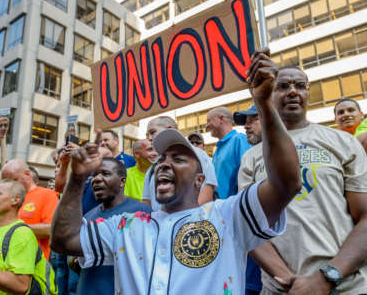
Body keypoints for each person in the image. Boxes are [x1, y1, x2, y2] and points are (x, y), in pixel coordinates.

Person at [50, 49, 303, 294]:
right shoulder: (125, 227)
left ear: (199, 180)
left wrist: (266, 105)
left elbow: (286, 183)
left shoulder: (228, 216)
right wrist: (77, 178)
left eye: (179, 158)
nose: (165, 164)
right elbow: (65, 239)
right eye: (161, 159)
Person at [238, 57, 367, 294]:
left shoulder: (343, 142)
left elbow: (365, 217)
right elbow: (250, 226)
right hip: (283, 288)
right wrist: (292, 283)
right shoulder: (251, 157)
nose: (293, 91)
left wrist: (327, 277)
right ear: (269, 93)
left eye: (300, 85)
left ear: (308, 92)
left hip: (346, 285)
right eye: (283, 86)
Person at [76, 157, 152, 295]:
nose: (96, 179)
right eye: (94, 175)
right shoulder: (87, 218)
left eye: (105, 174)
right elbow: (74, 261)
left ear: (122, 181)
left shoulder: (142, 212)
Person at [143, 116, 218, 208]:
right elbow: (147, 202)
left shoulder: (199, 155)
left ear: (169, 129)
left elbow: (206, 195)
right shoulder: (153, 168)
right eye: (147, 135)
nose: (149, 138)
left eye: (152, 132)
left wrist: (188, 220)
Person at [1, 159, 59, 260]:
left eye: (14, 180)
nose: (10, 185)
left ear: (27, 174)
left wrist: (11, 228)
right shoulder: (8, 198)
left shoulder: (47, 194)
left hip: (33, 262)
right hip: (6, 259)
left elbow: (50, 230)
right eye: (7, 182)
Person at [234, 103, 263, 295]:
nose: (246, 126)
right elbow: (246, 218)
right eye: (245, 122)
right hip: (263, 265)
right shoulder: (250, 156)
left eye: (253, 120)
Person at [206, 106, 250, 199]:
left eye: (209, 121)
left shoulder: (239, 140)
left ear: (221, 119)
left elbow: (248, 176)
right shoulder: (218, 149)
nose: (206, 126)